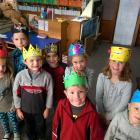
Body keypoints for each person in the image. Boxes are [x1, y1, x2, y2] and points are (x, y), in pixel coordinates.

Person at [13, 44, 53, 140]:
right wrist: (18, 109)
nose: (35, 63)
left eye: (38, 60)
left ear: (42, 61)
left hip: (40, 110)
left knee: (40, 127)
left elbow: (50, 94)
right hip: (25, 110)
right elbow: (16, 93)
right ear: (25, 62)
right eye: (31, 60)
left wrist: (47, 109)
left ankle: (41, 137)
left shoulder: (47, 76)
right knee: (28, 127)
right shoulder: (20, 76)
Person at [52, 70, 104, 140]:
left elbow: (95, 136)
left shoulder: (92, 113)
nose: (77, 96)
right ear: (66, 94)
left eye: (80, 92)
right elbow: (56, 126)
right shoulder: (61, 106)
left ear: (86, 91)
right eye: (72, 92)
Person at [96, 46, 132, 125]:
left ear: (125, 65)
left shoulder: (127, 83)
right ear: (109, 61)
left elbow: (123, 105)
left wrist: (109, 117)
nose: (116, 66)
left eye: (121, 62)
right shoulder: (102, 76)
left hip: (118, 114)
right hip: (101, 112)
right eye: (114, 61)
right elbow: (98, 97)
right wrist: (102, 115)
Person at [0, 39, 20, 140]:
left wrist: (14, 105)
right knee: (3, 121)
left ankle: (16, 133)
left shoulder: (10, 74)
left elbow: (14, 90)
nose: (1, 69)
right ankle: (7, 133)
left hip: (10, 105)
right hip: (0, 107)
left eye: (3, 66)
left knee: (13, 120)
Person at [43, 43, 67, 108]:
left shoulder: (64, 68)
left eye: (54, 56)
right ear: (45, 57)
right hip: (49, 96)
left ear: (59, 56)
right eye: (48, 56)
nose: (51, 59)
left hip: (62, 96)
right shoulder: (44, 68)